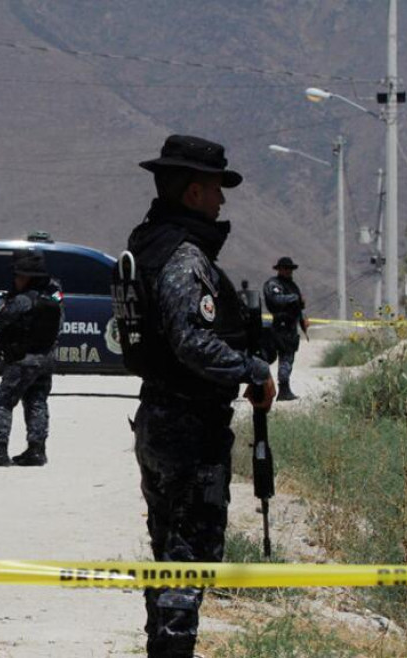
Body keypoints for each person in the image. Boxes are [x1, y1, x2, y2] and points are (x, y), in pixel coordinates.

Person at [122, 134, 275, 657]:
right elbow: (192, 342)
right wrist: (253, 370)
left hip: (164, 420)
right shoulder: (184, 259)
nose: (221, 201)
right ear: (192, 194)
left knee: (172, 554)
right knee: (188, 557)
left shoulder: (151, 245)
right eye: (215, 189)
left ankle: (162, 647)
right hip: (186, 430)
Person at [0, 248, 64, 467]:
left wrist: (6, 299)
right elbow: (60, 324)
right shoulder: (54, 293)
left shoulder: (23, 299)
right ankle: (37, 451)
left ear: (27, 276)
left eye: (18, 275)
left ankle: (0, 451)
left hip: (23, 359)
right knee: (37, 402)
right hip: (46, 357)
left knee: (3, 402)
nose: (15, 279)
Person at [263, 257, 308, 401]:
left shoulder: (292, 286)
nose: (288, 271)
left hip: (291, 326)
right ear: (279, 269)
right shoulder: (273, 284)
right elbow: (275, 300)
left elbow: (299, 307)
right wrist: (294, 298)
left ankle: (284, 388)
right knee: (276, 356)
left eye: (290, 269)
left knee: (288, 356)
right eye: (285, 268)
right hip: (279, 325)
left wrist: (302, 323)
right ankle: (266, 388)